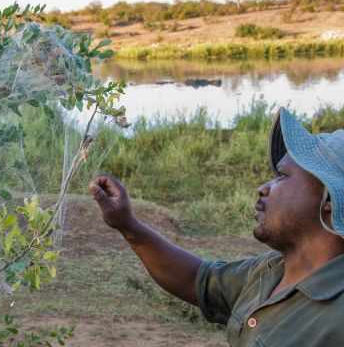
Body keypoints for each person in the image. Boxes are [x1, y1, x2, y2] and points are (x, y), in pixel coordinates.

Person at [89, 109, 344, 346]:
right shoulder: (270, 270)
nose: (263, 188)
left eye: (282, 176)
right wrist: (128, 225)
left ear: (329, 199)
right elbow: (197, 279)